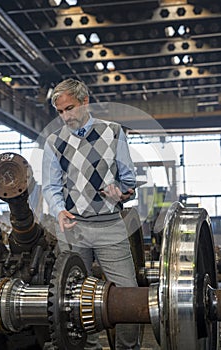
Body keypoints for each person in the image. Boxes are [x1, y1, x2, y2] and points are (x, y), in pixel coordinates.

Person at [42, 78, 140, 350]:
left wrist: (120, 192)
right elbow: (51, 185)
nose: (65, 116)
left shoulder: (114, 132)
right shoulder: (54, 141)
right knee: (72, 298)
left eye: (70, 108)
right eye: (60, 112)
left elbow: (129, 181)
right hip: (73, 228)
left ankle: (127, 347)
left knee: (128, 294)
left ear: (85, 101)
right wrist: (59, 210)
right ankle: (89, 347)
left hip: (110, 225)